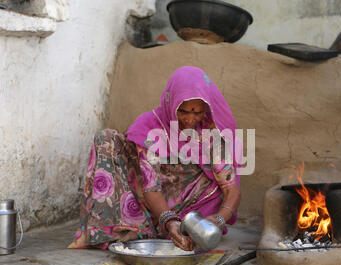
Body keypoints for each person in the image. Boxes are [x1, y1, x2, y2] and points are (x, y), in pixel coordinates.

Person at [68, 66, 241, 251]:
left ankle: (180, 228)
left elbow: (231, 189)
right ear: (171, 102)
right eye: (183, 111)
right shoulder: (150, 126)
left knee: (216, 180)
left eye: (198, 113)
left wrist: (220, 218)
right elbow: (152, 186)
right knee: (106, 139)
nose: (191, 120)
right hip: (149, 203)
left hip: (189, 208)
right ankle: (140, 227)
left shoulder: (210, 133)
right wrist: (168, 220)